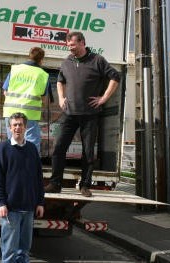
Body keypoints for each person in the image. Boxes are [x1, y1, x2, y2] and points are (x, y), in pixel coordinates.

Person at [44, 32, 120, 197]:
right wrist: (62, 98)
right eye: (68, 45)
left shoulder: (97, 60)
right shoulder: (67, 62)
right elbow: (60, 81)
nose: (69, 48)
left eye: (72, 45)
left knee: (87, 152)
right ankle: (55, 183)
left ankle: (85, 185)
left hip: (90, 114)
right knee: (58, 148)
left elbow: (115, 77)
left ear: (82, 43)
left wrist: (104, 98)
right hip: (70, 114)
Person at [0, 112, 44, 263]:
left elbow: (38, 178)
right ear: (10, 128)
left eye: (20, 124)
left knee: (24, 252)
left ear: (26, 127)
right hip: (10, 209)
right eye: (14, 125)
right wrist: (1, 203)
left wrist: (40, 202)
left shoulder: (32, 149)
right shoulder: (3, 149)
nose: (17, 128)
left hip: (28, 209)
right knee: (9, 252)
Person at [2, 47, 52, 153]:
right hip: (29, 114)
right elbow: (44, 98)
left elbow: (5, 92)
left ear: (29, 56)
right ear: (41, 60)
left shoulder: (15, 70)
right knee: (31, 145)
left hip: (10, 113)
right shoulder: (43, 75)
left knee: (12, 143)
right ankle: (30, 169)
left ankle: (12, 167)